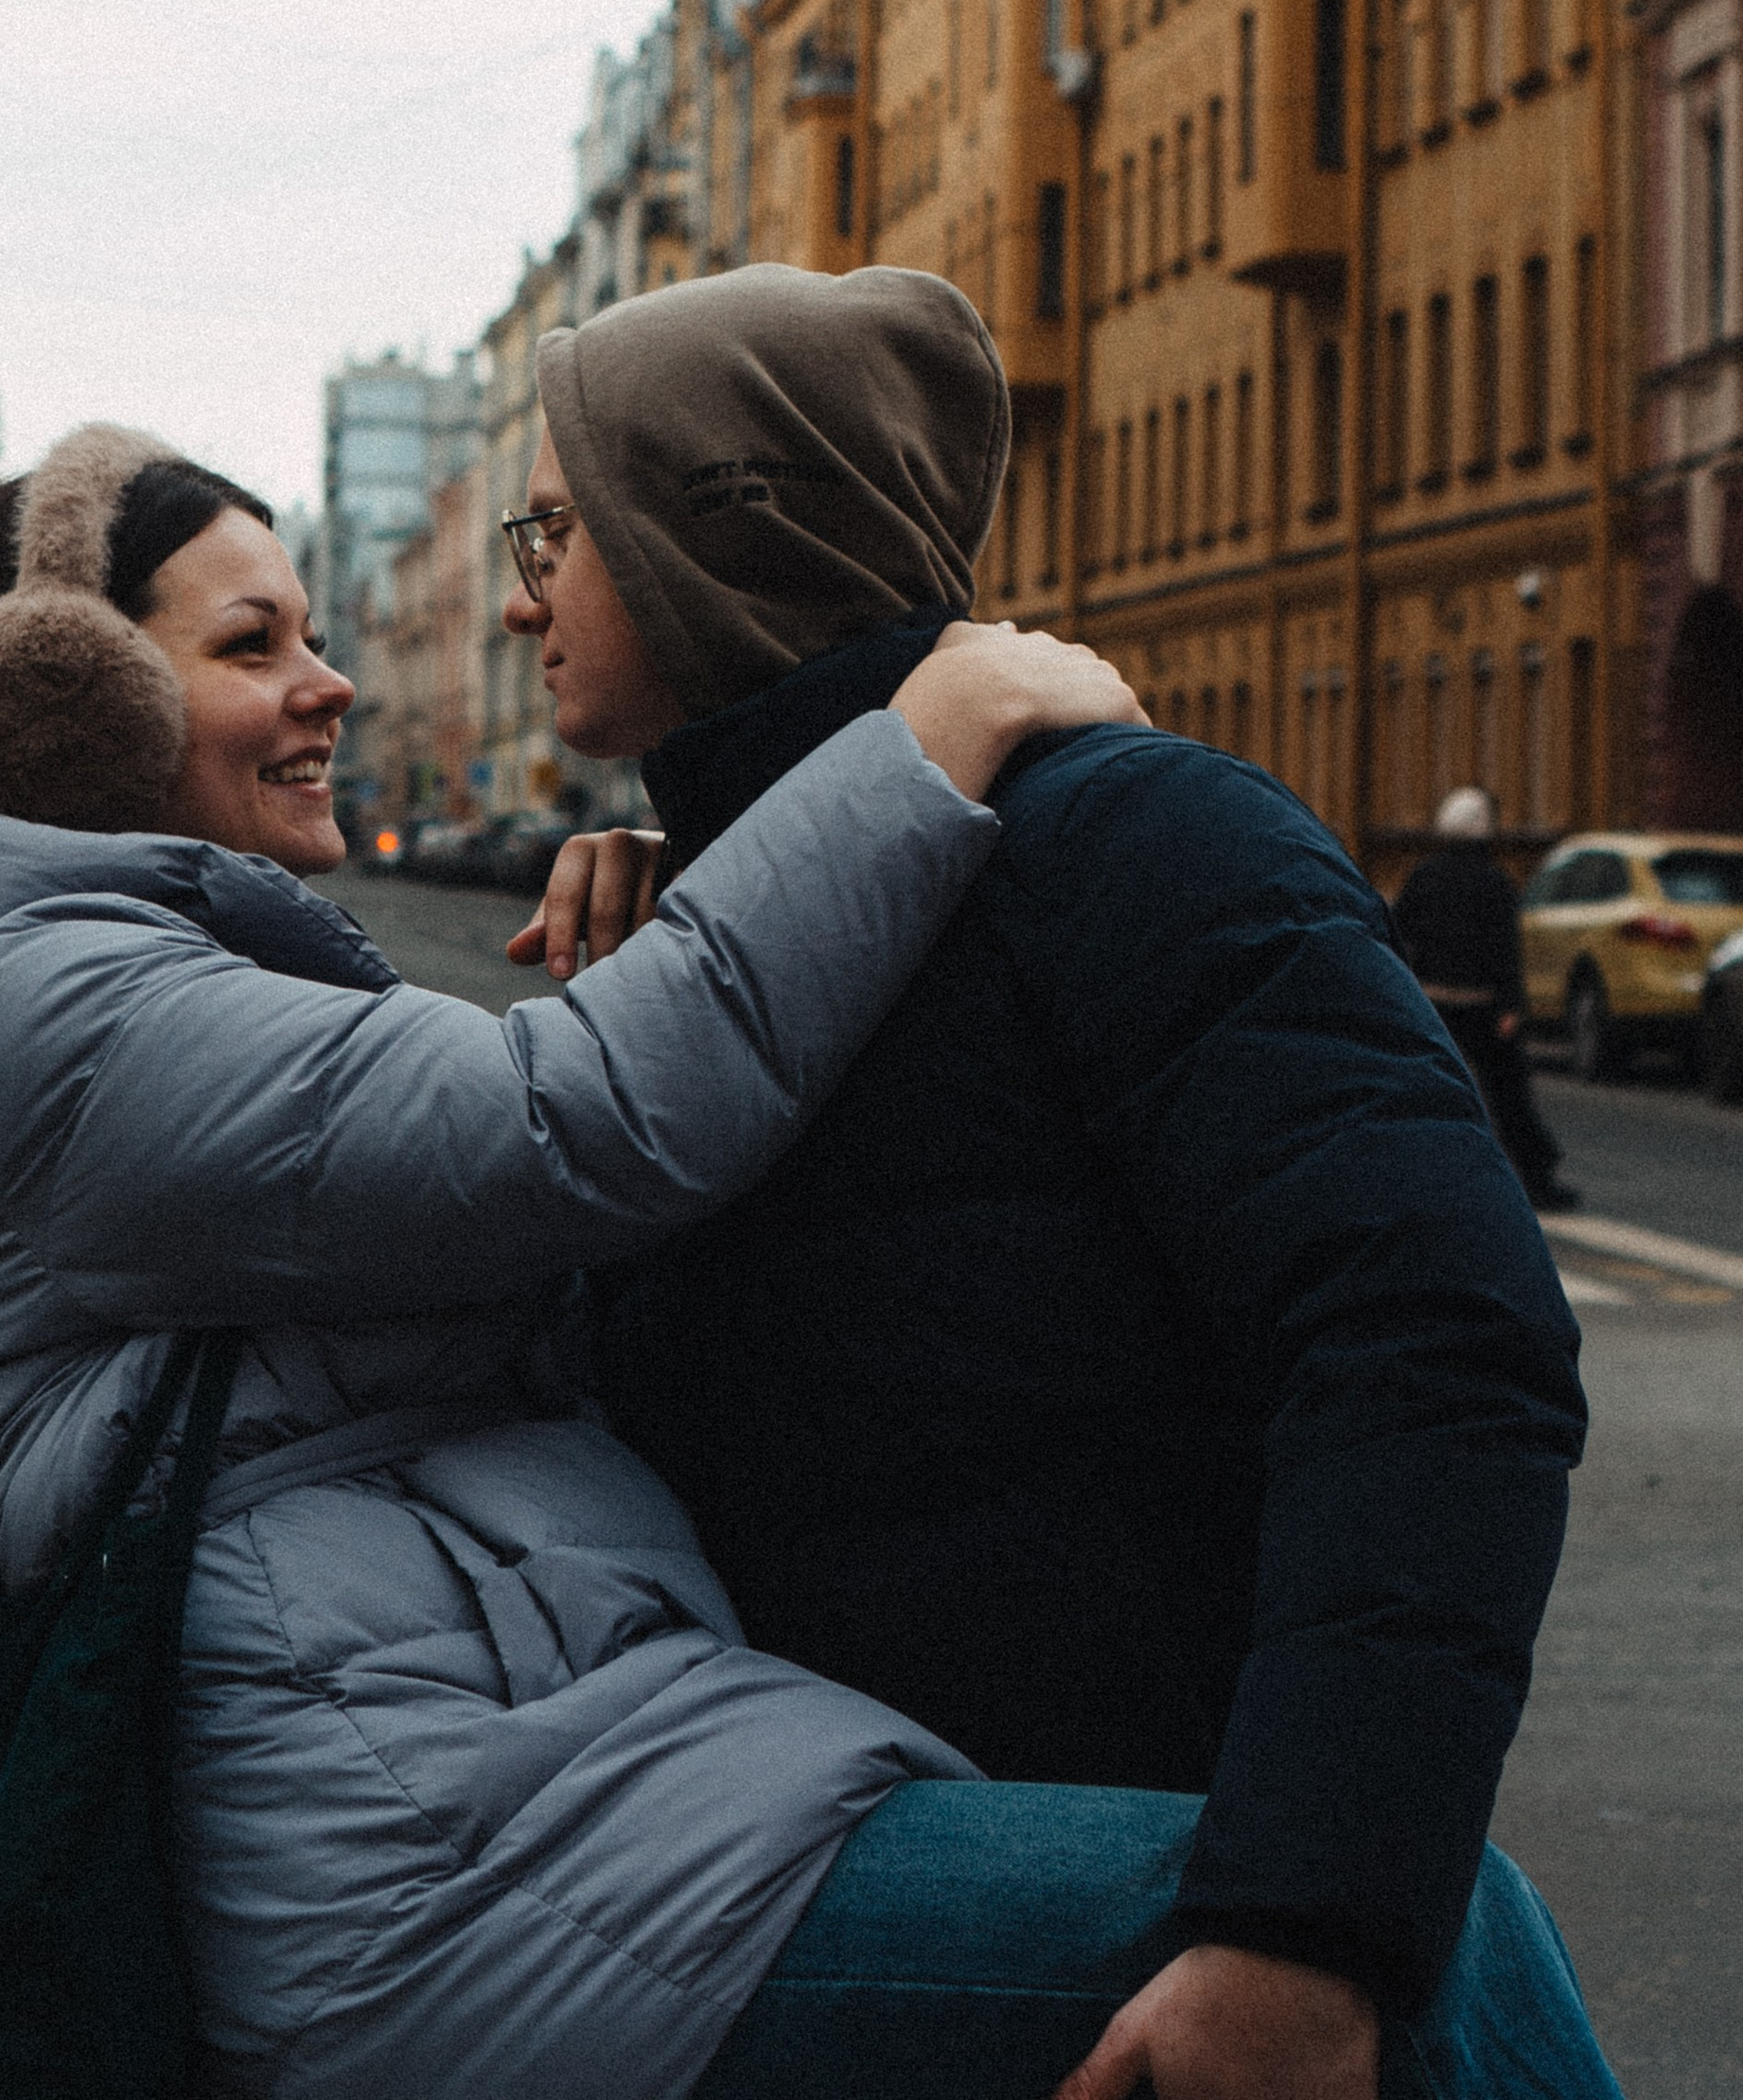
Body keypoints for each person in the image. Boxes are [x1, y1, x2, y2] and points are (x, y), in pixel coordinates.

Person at [0, 422, 1247, 2099]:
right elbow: (576, 1124)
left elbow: (536, 1237)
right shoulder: (49, 1005)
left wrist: (679, 911)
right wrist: (923, 743)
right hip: (429, 1868)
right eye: (253, 646)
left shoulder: (138, 980)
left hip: (520, 1795)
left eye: (316, 632)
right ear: (70, 709)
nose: (331, 684)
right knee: (1299, 1955)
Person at [500, 262, 1607, 2100]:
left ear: (723, 534)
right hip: (816, 1910)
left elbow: (1432, 1349)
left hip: (1120, 1927)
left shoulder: (1138, 839)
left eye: (558, 527)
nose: (520, 590)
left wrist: (1302, 1926)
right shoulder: (706, 929)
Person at [1394, 786, 1578, 1212]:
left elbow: (1400, 934)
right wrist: (1511, 1006)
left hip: (1433, 1003)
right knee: (1510, 1097)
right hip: (1484, 1005)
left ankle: (1413, 1176)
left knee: (1423, 1092)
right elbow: (1505, 950)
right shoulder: (1495, 882)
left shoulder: (1424, 876)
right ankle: (1538, 1180)